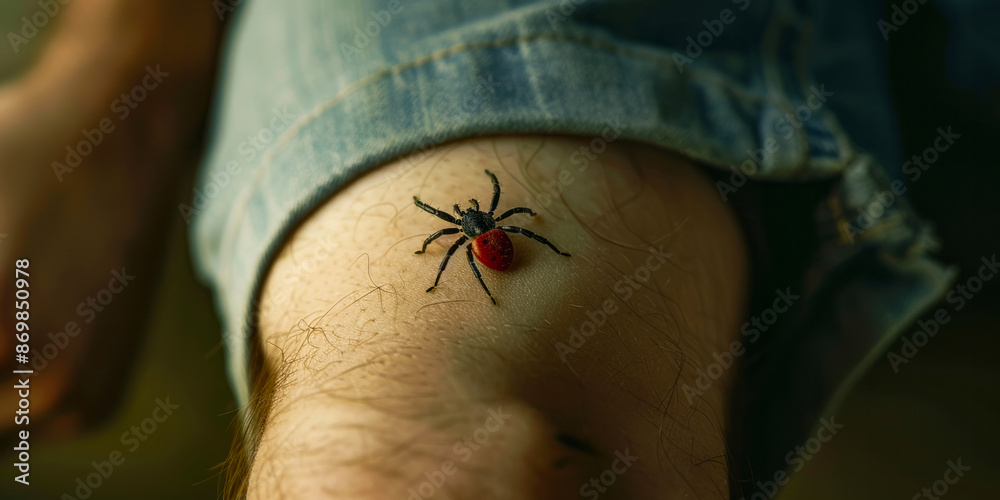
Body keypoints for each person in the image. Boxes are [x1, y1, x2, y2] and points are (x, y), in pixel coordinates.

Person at [5, 0, 993, 498]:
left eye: (481, 232)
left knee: (415, 439)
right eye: (477, 232)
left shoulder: (480, 235)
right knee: (414, 425)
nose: (479, 235)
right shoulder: (479, 235)